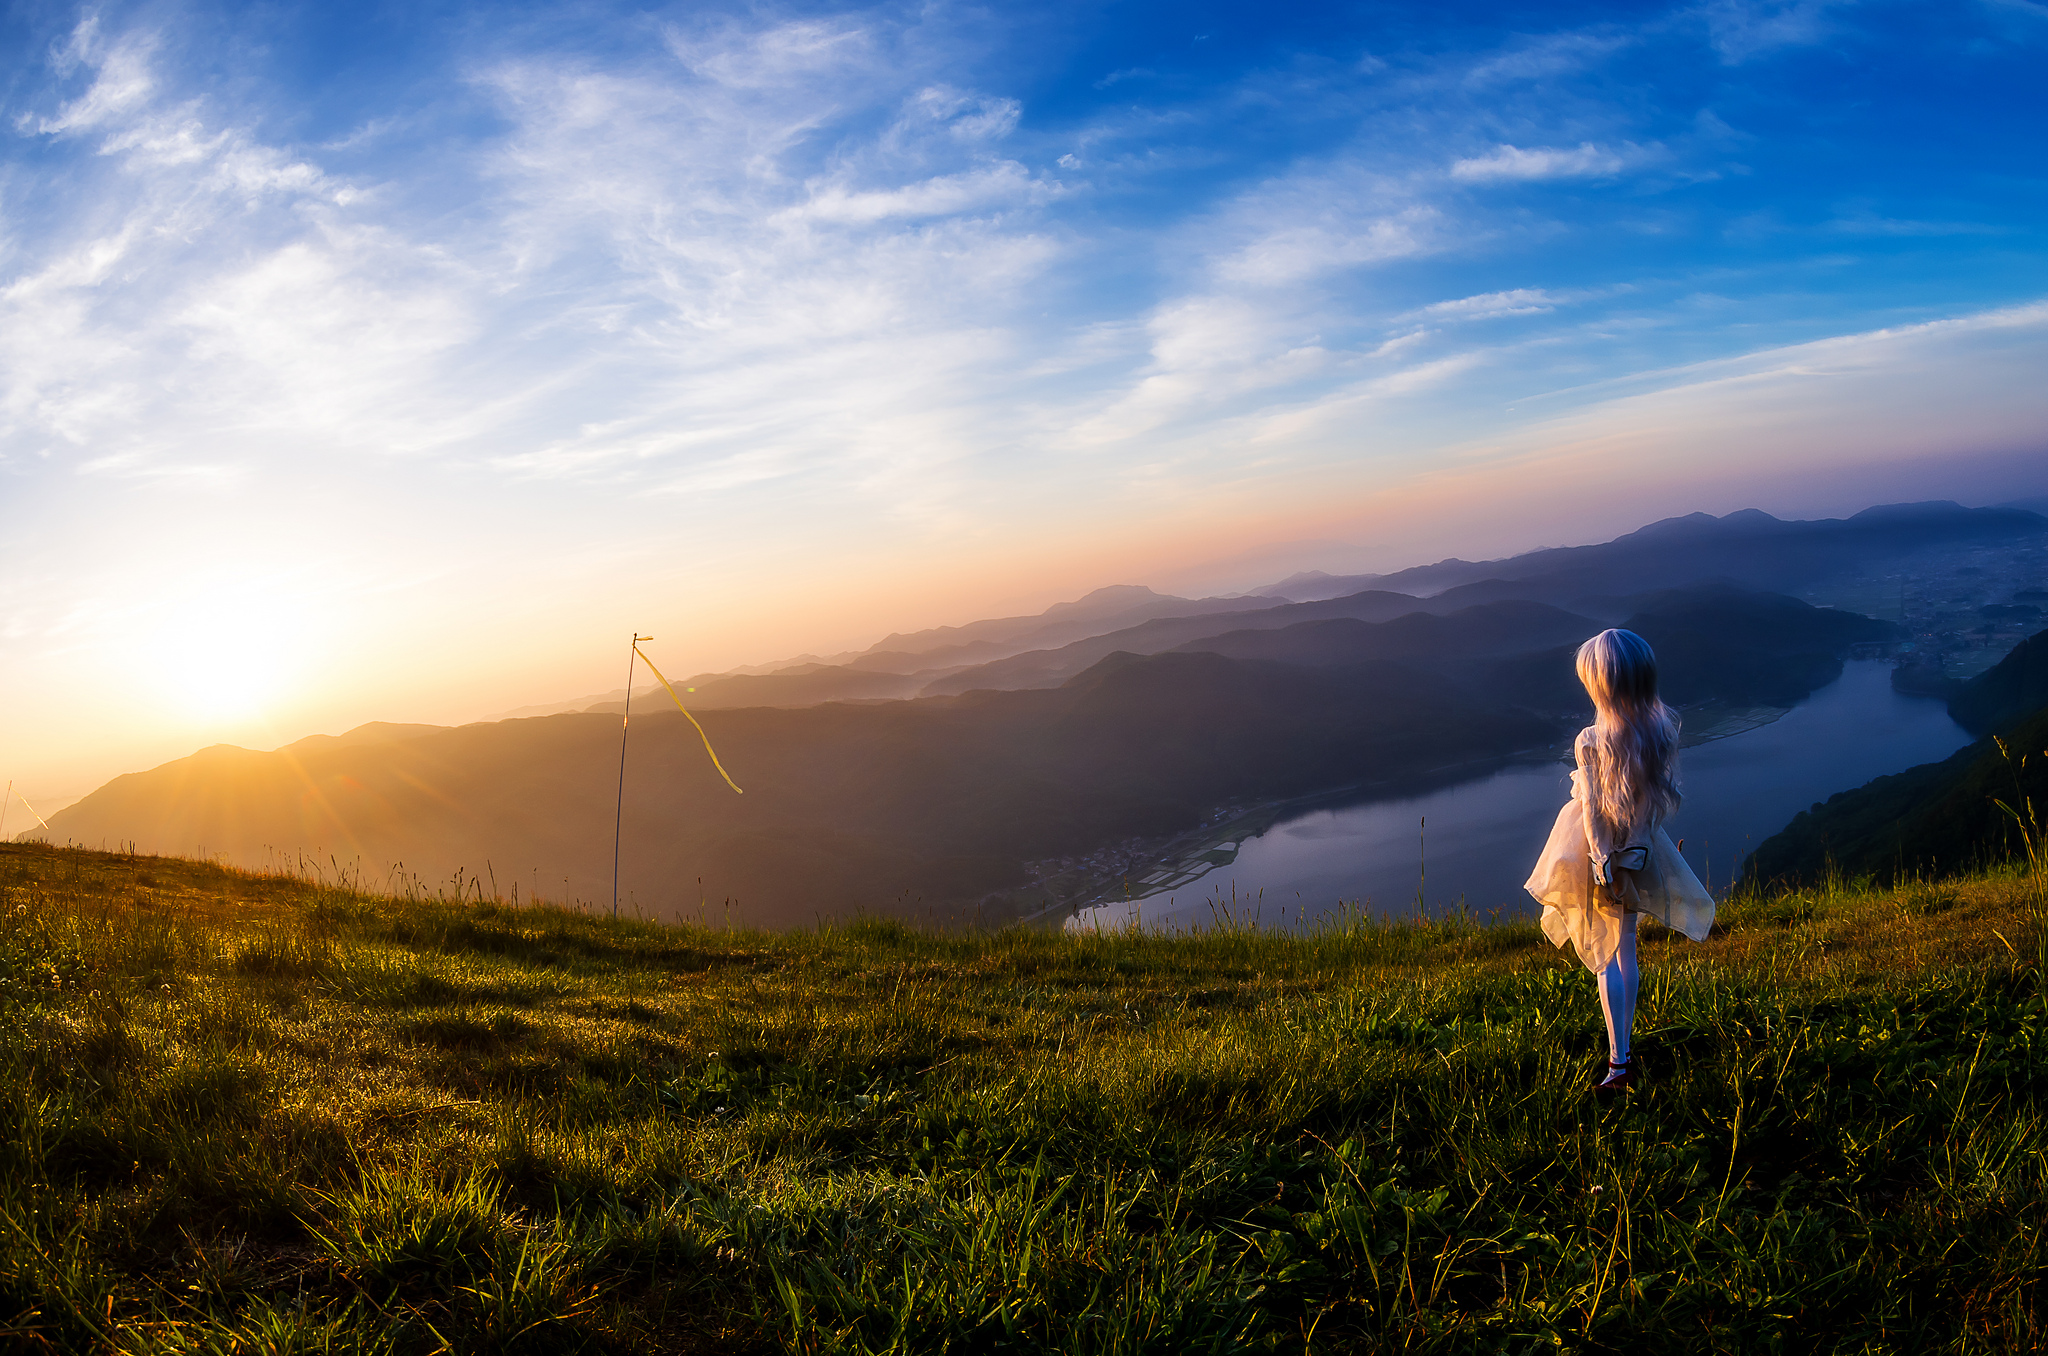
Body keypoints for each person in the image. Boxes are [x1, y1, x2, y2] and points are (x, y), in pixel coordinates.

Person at [1524, 629, 1715, 1095]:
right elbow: (1649, 804)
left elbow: (1591, 810)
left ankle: (1619, 1061)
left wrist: (1601, 862)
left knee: (1607, 954)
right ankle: (1623, 1052)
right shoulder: (1660, 730)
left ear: (1600, 683)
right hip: (1641, 846)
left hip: (1598, 854)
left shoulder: (1591, 738)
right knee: (1624, 946)